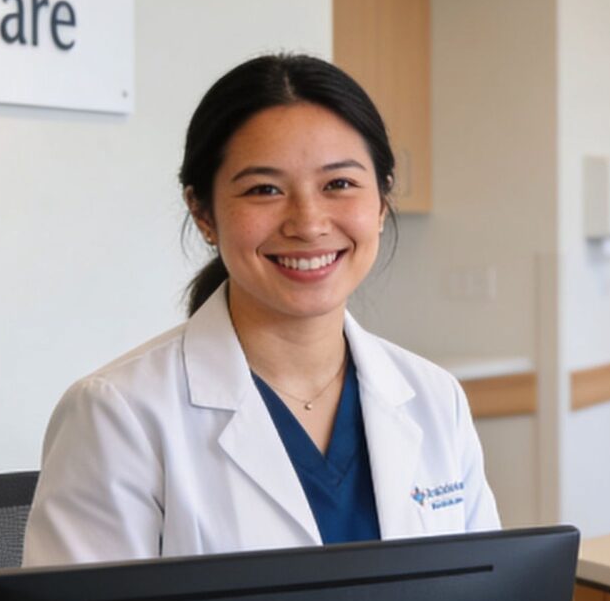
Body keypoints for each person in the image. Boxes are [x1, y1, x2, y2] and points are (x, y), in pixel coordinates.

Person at [25, 53, 500, 565]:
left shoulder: (434, 399)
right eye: (264, 190)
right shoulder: (118, 414)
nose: (308, 222)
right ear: (203, 213)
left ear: (381, 202)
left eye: (339, 184)